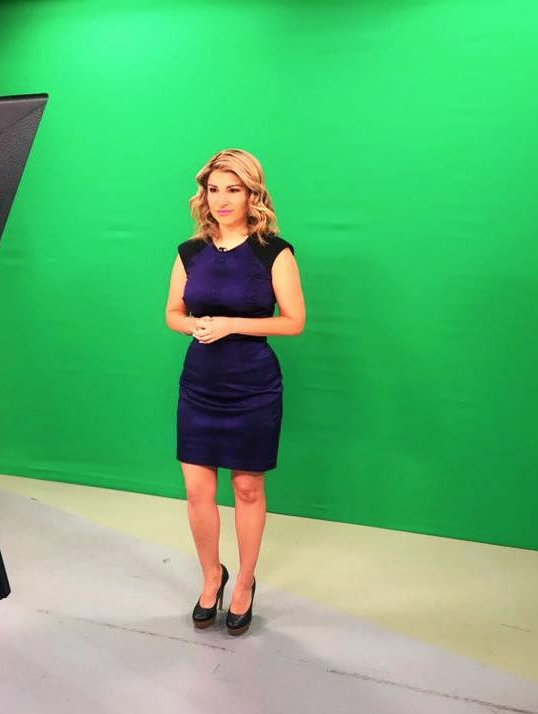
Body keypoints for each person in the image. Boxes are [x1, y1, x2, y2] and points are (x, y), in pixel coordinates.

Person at [164, 148, 305, 636]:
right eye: (213, 189)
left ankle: (244, 581)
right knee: (196, 490)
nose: (221, 199)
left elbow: (293, 321)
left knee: (247, 488)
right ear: (203, 195)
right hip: (200, 383)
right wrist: (194, 325)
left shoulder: (274, 251)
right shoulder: (190, 252)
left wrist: (230, 324)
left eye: (233, 189)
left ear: (252, 194)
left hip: (253, 386)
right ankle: (212, 576)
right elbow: (172, 313)